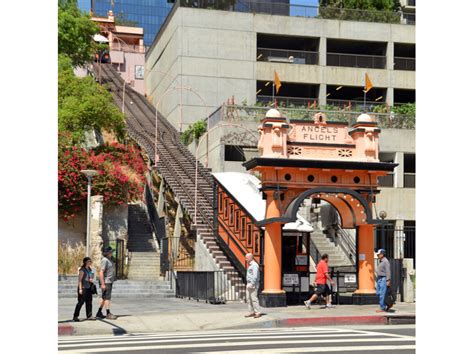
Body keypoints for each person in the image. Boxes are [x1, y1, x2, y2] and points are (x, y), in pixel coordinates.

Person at [96, 246, 117, 320]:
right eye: (111, 252)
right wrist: (102, 284)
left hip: (109, 281)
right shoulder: (105, 260)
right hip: (106, 282)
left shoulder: (109, 260)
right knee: (107, 298)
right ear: (108, 253)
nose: (112, 253)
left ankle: (99, 312)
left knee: (104, 298)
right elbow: (101, 272)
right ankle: (108, 314)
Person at [72, 257, 96, 322]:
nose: (90, 262)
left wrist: (91, 279)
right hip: (83, 288)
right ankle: (75, 316)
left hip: (88, 288)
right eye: (89, 261)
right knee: (80, 303)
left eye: (90, 261)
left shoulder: (90, 269)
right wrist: (80, 289)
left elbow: (91, 278)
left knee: (89, 302)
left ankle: (89, 315)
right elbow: (79, 280)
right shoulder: (82, 270)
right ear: (85, 262)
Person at [244, 253, 262, 319]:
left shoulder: (254, 265)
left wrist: (252, 283)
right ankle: (251, 312)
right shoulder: (251, 265)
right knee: (248, 298)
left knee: (254, 298)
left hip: (253, 284)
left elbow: (255, 276)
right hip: (249, 283)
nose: (246, 259)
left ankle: (257, 312)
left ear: (250, 258)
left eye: (246, 258)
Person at [375, 248, 391, 312]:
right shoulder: (381, 261)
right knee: (378, 293)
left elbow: (388, 271)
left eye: (378, 254)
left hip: (384, 279)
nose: (377, 256)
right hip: (379, 279)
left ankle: (383, 307)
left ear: (382, 254)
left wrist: (388, 280)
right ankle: (385, 305)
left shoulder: (385, 261)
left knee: (382, 294)